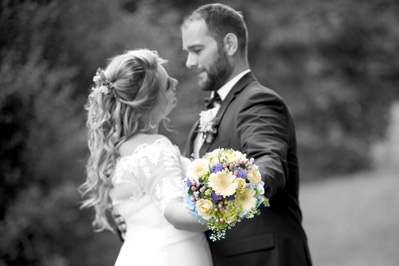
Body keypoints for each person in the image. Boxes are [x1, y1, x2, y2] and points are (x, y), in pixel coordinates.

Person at [181, 3, 312, 266]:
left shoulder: (258, 101)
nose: (189, 62)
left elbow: (269, 166)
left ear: (229, 44)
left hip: (262, 258)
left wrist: (217, 199)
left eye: (197, 50)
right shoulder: (205, 117)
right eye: (187, 53)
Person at [79, 49, 213, 266]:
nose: (176, 81)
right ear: (149, 102)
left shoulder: (115, 150)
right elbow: (175, 214)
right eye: (167, 83)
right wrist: (230, 204)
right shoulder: (155, 148)